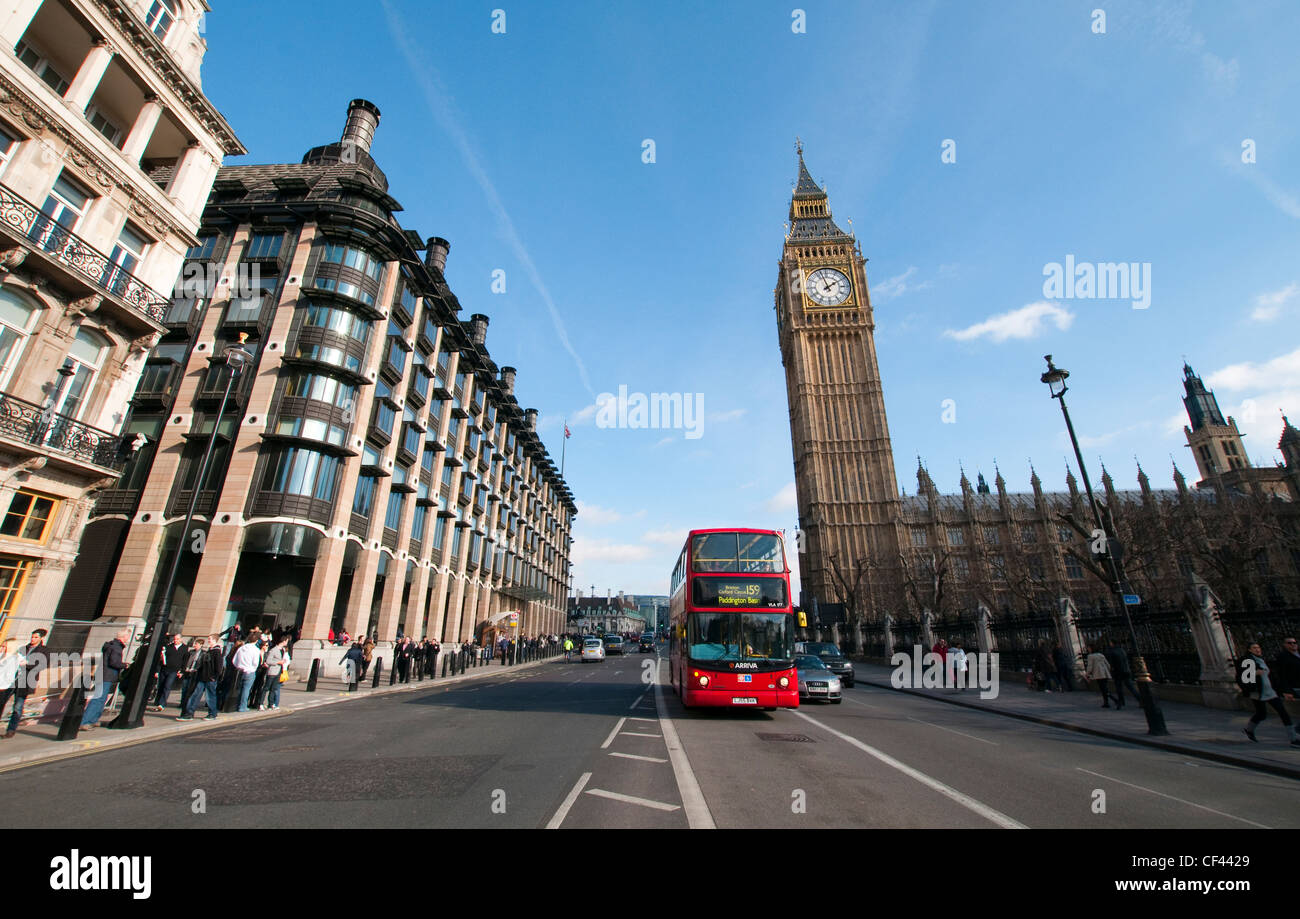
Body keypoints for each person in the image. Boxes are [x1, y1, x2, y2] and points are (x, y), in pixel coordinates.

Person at [1238, 642, 1299, 746]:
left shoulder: (1261, 659)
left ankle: (1293, 738)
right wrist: (1254, 673)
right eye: (1254, 648)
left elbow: (1272, 677)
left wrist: (1281, 691)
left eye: (1258, 647)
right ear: (1249, 650)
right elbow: (1243, 676)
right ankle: (1249, 730)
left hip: (1270, 692)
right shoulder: (1247, 660)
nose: (1258, 649)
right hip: (1258, 692)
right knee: (1261, 714)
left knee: (1283, 713)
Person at [81, 628, 130, 730]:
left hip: (103, 674)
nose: (128, 638)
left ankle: (93, 720)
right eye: (127, 636)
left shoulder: (111, 645)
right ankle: (84, 721)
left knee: (101, 699)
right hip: (107, 676)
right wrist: (125, 665)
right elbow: (114, 662)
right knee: (98, 699)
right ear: (123, 637)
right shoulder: (116, 648)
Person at [180, 635, 224, 720]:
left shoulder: (216, 652)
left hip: (210, 678)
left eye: (210, 639)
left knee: (210, 696)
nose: (208, 641)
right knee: (195, 694)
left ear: (215, 641)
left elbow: (219, 667)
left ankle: (212, 713)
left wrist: (214, 676)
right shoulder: (209, 651)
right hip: (202, 677)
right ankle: (189, 713)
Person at [12, 629, 49, 729]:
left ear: (41, 638)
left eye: (36, 637)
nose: (33, 639)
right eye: (32, 637)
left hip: (27, 680)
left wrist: (27, 664)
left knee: (18, 705)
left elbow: (43, 664)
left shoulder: (43, 650)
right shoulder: (24, 648)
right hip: (13, 678)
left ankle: (11, 728)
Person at [149, 633, 188, 712]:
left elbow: (185, 661)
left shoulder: (184, 648)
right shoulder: (168, 647)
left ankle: (162, 704)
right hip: (164, 668)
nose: (175, 641)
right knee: (161, 685)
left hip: (174, 670)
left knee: (167, 686)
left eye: (177, 639)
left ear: (181, 639)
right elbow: (161, 659)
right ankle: (157, 701)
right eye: (174, 639)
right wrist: (157, 670)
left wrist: (182, 671)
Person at [0, 638, 26, 738]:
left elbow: (9, 676)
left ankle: (11, 730)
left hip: (3, 688)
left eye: (4, 646)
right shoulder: (2, 656)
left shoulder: (13, 658)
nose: (2, 648)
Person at [1104, 638, 1137, 709]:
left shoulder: (1112, 652)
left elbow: (1111, 664)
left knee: (1119, 688)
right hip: (1126, 671)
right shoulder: (1122, 650)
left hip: (1118, 672)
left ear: (1112, 643)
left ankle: (1121, 702)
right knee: (1131, 687)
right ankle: (1140, 699)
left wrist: (1111, 671)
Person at [232, 636, 262, 712]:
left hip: (239, 670)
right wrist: (253, 669)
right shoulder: (256, 650)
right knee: (246, 689)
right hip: (249, 671)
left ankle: (236, 705)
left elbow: (234, 660)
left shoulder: (241, 648)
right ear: (256, 641)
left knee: (239, 689)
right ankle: (242, 706)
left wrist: (238, 666)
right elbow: (255, 662)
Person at [264, 636, 291, 710]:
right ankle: (264, 703)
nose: (287, 643)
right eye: (287, 641)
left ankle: (272, 704)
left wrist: (283, 663)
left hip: (280, 671)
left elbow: (287, 660)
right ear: (283, 641)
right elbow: (268, 661)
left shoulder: (283, 650)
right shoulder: (274, 650)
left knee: (274, 688)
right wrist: (279, 662)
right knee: (268, 688)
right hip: (273, 671)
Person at [1084, 642, 1113, 708]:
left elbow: (1090, 667)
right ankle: (1107, 702)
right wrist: (1108, 671)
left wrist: (1087, 674)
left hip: (1098, 674)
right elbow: (1108, 664)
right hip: (1105, 673)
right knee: (1105, 687)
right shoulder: (1101, 655)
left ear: (1091, 648)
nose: (1088, 649)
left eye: (1088, 648)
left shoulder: (1090, 656)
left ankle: (1112, 700)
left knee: (1103, 689)